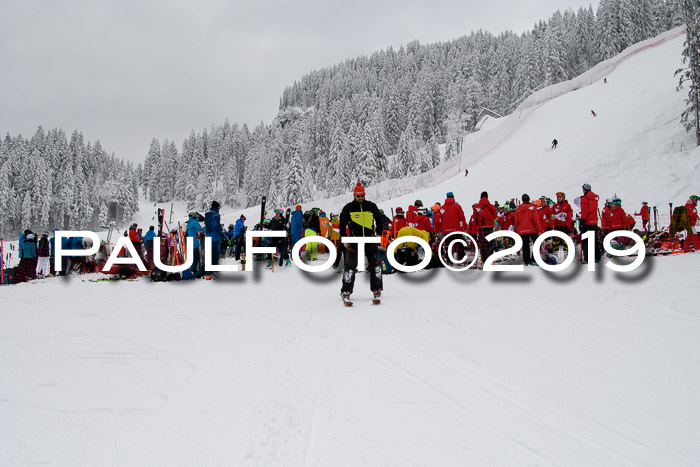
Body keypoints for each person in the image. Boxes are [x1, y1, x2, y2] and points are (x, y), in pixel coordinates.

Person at [339, 182, 383, 304]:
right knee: (350, 267)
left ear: (364, 195)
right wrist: (343, 238)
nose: (360, 198)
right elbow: (342, 224)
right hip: (354, 242)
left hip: (370, 240)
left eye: (362, 196)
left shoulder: (371, 206)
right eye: (358, 196)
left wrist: (379, 232)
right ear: (354, 196)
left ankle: (377, 290)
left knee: (375, 265)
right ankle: (346, 291)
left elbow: (379, 220)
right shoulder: (348, 208)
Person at [515, 194, 542, 265]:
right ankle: (534, 259)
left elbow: (516, 221)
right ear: (529, 199)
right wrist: (539, 230)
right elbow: (536, 220)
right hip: (532, 229)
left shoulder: (518, 209)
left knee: (525, 245)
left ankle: (526, 260)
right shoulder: (533, 207)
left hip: (522, 230)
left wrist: (518, 231)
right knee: (537, 243)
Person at [580, 183, 601, 263]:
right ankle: (597, 257)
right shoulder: (594, 198)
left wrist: (582, 221)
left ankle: (588, 258)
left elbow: (585, 211)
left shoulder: (584, 199)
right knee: (594, 241)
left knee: (586, 241)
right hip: (594, 222)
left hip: (587, 223)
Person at [475, 191, 497, 265]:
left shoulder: (477, 207)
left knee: (483, 244)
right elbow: (495, 216)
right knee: (490, 243)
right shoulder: (491, 206)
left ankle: (484, 260)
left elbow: (475, 217)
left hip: (481, 228)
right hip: (490, 227)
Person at [204, 201, 223, 278]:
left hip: (208, 236)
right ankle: (215, 272)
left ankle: (208, 273)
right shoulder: (215, 215)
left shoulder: (207, 215)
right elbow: (216, 226)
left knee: (209, 255)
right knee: (215, 255)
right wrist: (221, 234)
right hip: (215, 237)